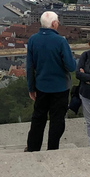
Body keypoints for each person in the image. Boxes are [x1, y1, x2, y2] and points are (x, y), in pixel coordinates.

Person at [26, 11, 76, 152]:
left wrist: (31, 88)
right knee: (57, 120)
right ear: (54, 23)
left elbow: (30, 67)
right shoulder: (60, 41)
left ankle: (33, 148)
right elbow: (71, 66)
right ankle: (52, 149)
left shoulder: (33, 40)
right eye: (57, 21)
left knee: (38, 118)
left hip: (41, 86)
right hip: (60, 87)